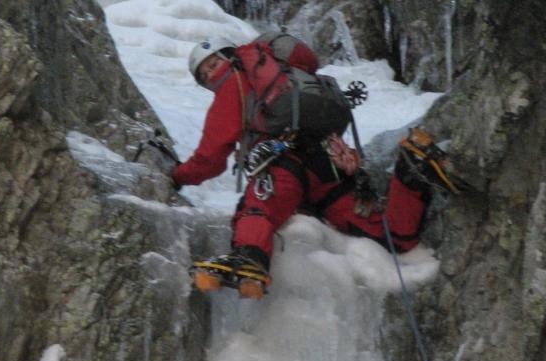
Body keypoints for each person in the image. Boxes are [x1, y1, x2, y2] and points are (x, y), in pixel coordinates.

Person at [172, 36, 455, 298]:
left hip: (283, 166)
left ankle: (248, 258)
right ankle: (411, 170)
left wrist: (177, 176)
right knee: (390, 237)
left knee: (257, 209)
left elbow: (211, 155)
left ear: (230, 57)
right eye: (204, 75)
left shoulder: (234, 83)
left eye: (212, 64)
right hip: (328, 169)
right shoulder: (288, 78)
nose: (210, 74)